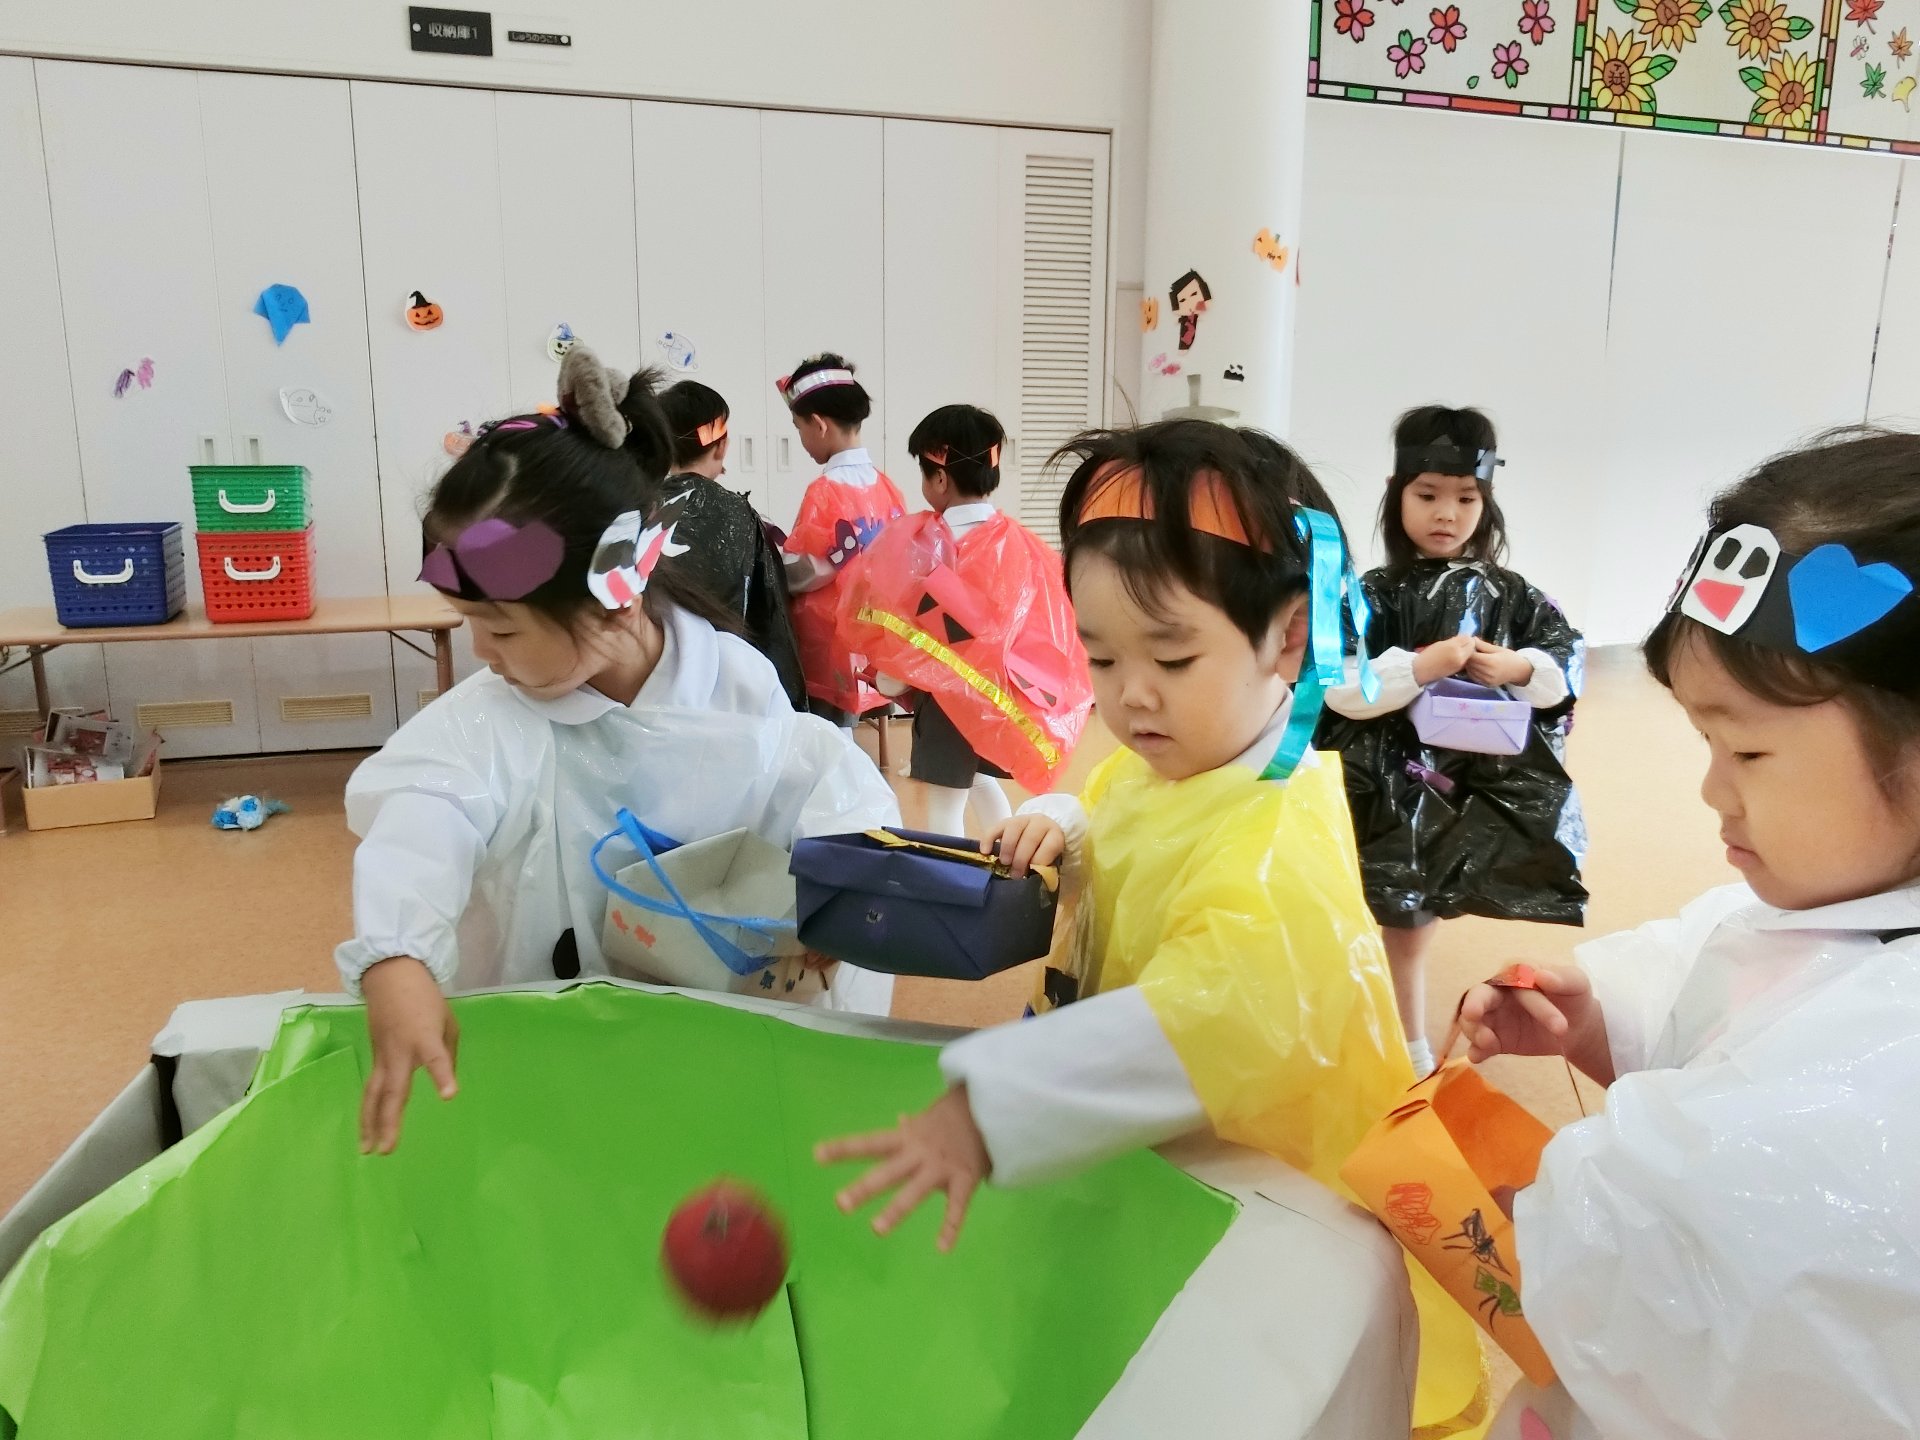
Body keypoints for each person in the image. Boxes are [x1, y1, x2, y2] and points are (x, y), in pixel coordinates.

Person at [817, 419, 1484, 1435]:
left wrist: (990, 1109)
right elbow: (1135, 809)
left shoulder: (1277, 847)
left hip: (1282, 1196)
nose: (1128, 696)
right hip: (1181, 1149)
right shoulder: (1191, 753)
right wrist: (1072, 822)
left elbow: (1208, 1015)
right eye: (1100, 653)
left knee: (1245, 1383)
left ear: (1290, 639)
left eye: (1171, 654)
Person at [1462, 429, 1920, 1440]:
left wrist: (1536, 1207)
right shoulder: (1840, 898)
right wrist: (1600, 1018)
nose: (1712, 789)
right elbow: (1724, 969)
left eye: (1748, 748)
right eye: (1708, 742)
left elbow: (1749, 1271)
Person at [336, 347, 900, 1155]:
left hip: (718, 1053)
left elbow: (825, 798)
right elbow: (424, 817)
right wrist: (398, 957)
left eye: (499, 628)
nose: (482, 654)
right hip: (552, 1062)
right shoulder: (491, 719)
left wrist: (839, 890)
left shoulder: (736, 688)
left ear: (615, 598)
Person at [1320, 405, 1587, 1078]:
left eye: (1465, 498)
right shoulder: (1370, 593)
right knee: (1395, 915)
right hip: (1384, 785)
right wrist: (1418, 667)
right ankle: (1404, 1045)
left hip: (1463, 783)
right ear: (1397, 494)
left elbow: (1566, 663)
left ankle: (1400, 1039)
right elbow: (1335, 685)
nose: (1447, 514)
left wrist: (1520, 668)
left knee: (1418, 914)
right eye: (1428, 495)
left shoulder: (1512, 594)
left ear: (1486, 502)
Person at [838, 403, 1092, 834]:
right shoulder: (1022, 545)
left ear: (939, 478)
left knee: (942, 808)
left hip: (945, 704)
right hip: (1001, 702)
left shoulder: (922, 546)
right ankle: (1007, 858)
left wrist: (890, 679)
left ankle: (952, 884)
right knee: (978, 779)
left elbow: (905, 629)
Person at [647, 378, 807, 709]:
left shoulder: (637, 508)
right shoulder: (738, 515)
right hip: (726, 687)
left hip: (652, 684)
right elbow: (770, 617)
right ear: (721, 446)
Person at [775, 352, 907, 724]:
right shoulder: (887, 487)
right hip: (876, 629)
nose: (800, 438)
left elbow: (806, 569)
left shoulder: (825, 491)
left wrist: (774, 561)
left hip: (830, 633)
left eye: (798, 427)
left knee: (829, 726)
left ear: (818, 425)